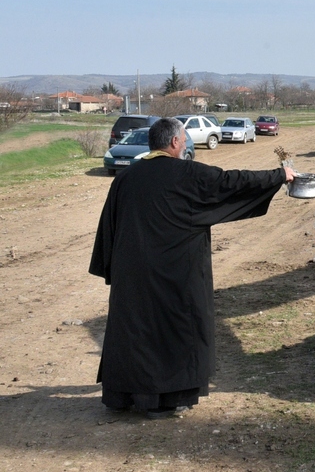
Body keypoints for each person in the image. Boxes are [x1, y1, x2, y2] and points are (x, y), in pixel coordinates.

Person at [89, 117, 295, 419]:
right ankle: (165, 401)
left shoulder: (126, 177)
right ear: (174, 142)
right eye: (184, 140)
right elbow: (232, 181)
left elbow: (109, 226)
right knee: (173, 333)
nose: (185, 144)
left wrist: (112, 269)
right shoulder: (188, 173)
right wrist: (279, 175)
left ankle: (125, 396)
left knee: (135, 333)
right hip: (175, 273)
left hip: (131, 274)